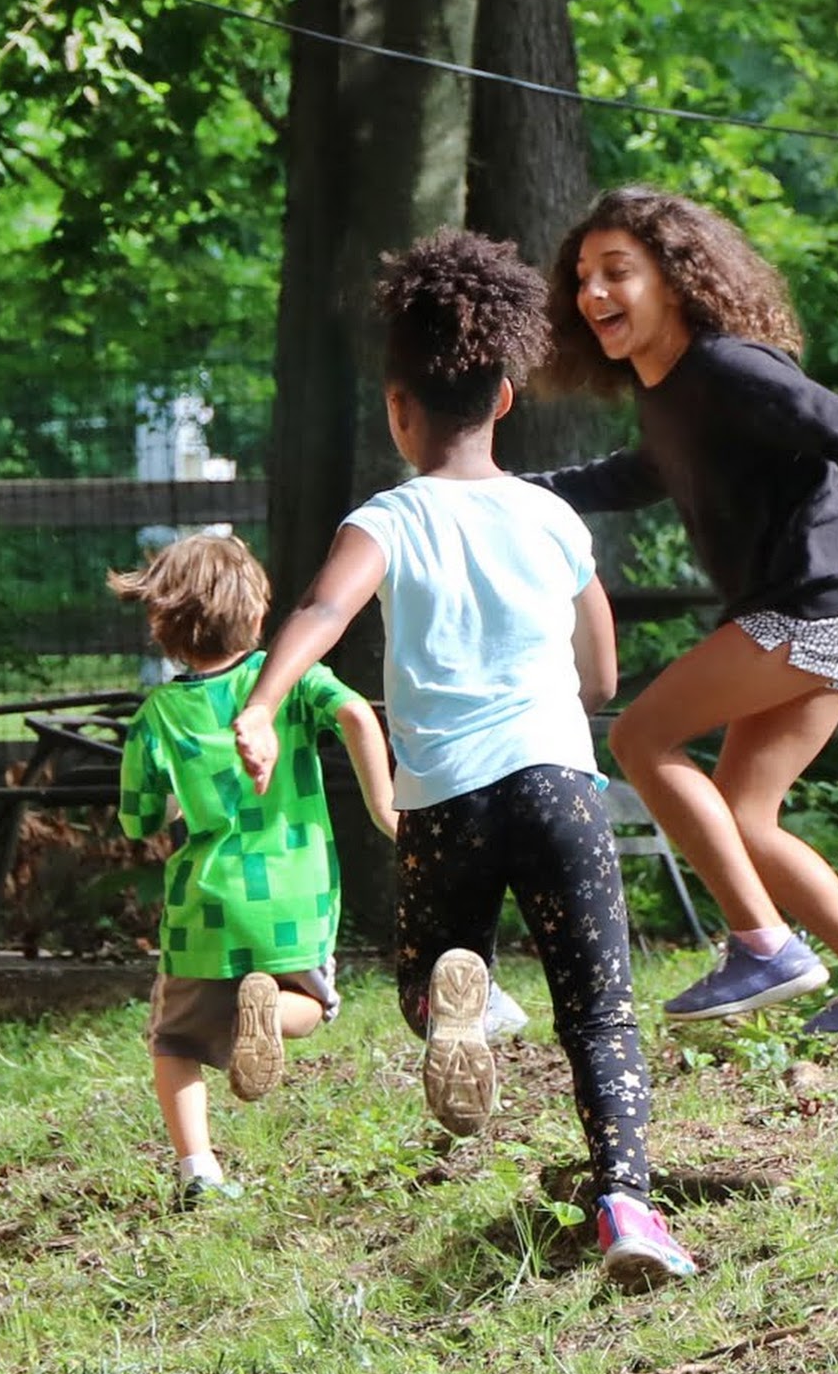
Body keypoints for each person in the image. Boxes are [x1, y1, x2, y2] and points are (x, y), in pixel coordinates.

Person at [233, 228, 696, 1287]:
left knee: (428, 977)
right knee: (600, 1013)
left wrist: (263, 703)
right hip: (556, 780)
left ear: (398, 409)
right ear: (505, 398)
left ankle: (464, 1012)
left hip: (444, 798)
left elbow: (321, 610)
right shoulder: (550, 516)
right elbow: (600, 667)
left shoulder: (387, 519)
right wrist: (564, 707)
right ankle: (629, 1205)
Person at [524, 186, 838, 1040]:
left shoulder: (728, 368)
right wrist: (507, 491)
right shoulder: (672, 390)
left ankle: (764, 946)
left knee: (640, 737)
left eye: (618, 272)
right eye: (583, 277)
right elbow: (637, 474)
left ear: (675, 281)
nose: (593, 292)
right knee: (744, 816)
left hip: (822, 605)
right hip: (817, 609)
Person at [110, 531, 397, 1209]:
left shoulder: (158, 713)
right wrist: (386, 808)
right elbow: (355, 712)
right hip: (294, 896)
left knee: (175, 1039)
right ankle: (262, 1016)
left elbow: (138, 820)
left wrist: (174, 800)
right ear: (259, 609)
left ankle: (199, 1171)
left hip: (205, 908)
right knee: (315, 1007)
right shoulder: (286, 680)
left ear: (162, 624)